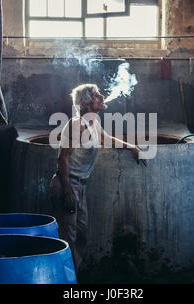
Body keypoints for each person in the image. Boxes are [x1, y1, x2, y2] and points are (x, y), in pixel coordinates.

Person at [49, 83, 146, 272]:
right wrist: (68, 191)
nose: (101, 97)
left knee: (82, 234)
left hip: (80, 187)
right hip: (67, 185)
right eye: (96, 95)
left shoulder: (93, 123)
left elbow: (106, 139)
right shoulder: (76, 124)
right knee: (68, 238)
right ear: (85, 103)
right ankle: (64, 278)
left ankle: (73, 274)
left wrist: (132, 147)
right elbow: (63, 158)